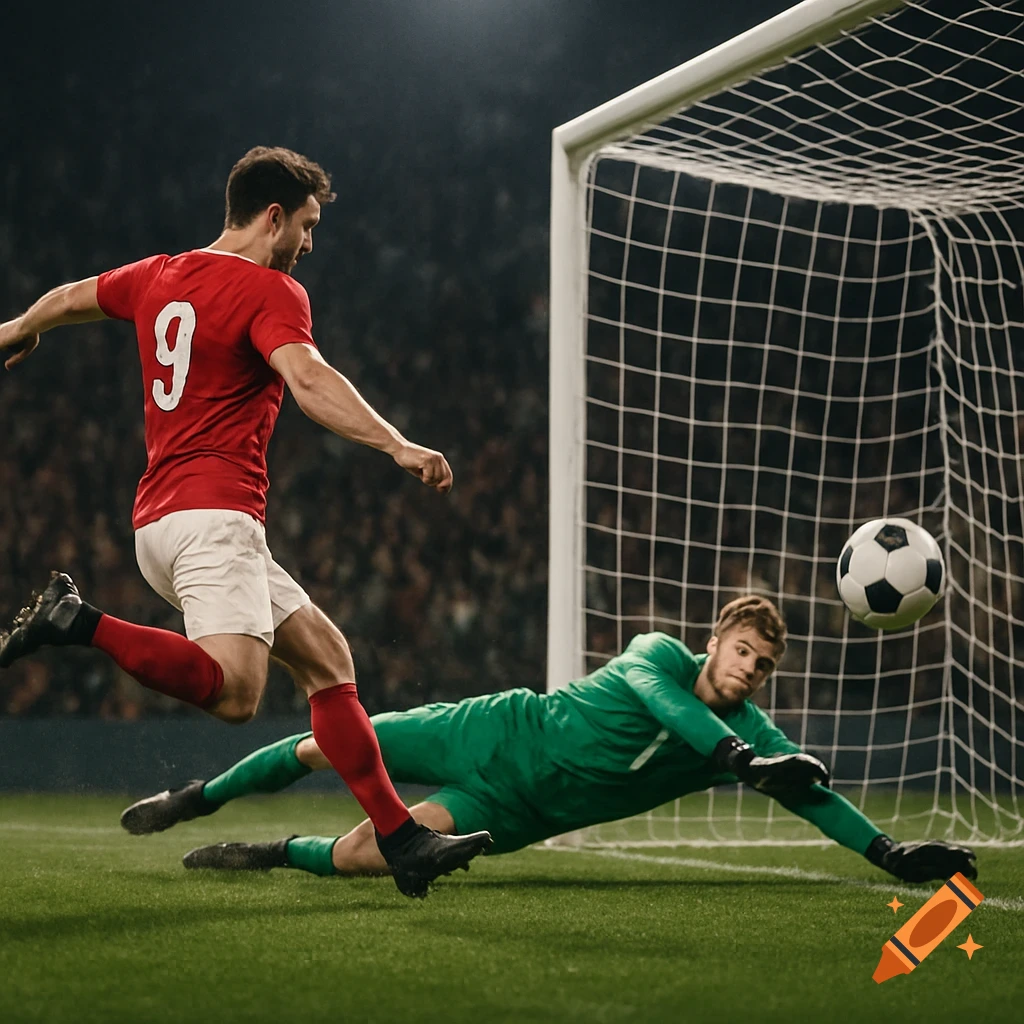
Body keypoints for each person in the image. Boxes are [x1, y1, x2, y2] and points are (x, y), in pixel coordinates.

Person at [0, 146, 491, 897]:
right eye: (308, 224)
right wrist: (395, 443)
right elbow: (307, 378)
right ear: (272, 217)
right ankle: (78, 622)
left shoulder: (158, 274)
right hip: (213, 519)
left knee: (328, 658)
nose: (310, 243)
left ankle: (401, 841)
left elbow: (71, 296)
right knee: (236, 696)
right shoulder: (270, 290)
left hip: (161, 524)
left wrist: (16, 329)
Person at [120, 596, 977, 885]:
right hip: (492, 733)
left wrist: (892, 854)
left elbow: (812, 792)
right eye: (741, 652)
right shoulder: (659, 658)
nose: (749, 671)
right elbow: (662, 702)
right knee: (324, 744)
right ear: (714, 642)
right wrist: (738, 761)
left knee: (357, 859)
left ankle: (274, 852)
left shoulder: (748, 732)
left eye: (762, 666)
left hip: (511, 807)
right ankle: (197, 796)